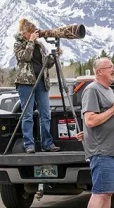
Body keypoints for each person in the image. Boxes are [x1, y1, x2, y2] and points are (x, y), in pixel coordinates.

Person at [81, 57, 114, 208]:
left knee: (108, 192)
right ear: (99, 71)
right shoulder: (92, 89)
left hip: (113, 150)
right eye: (110, 67)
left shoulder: (108, 90)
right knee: (100, 193)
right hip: (102, 151)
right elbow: (91, 120)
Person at [14, 18, 60, 153]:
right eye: (31, 32)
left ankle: (47, 143)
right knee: (27, 114)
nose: (35, 34)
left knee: (45, 113)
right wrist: (31, 42)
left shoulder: (40, 45)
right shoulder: (18, 44)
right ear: (25, 33)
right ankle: (29, 144)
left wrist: (55, 56)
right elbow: (25, 57)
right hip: (25, 83)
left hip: (41, 81)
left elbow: (47, 63)